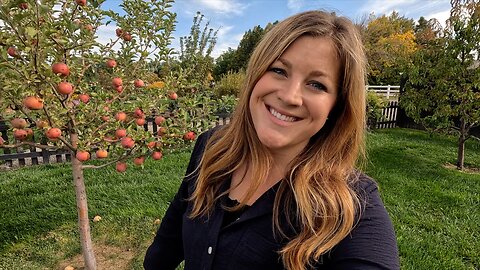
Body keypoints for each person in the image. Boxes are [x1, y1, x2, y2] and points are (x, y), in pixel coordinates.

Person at [144, 10, 400, 270]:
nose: (290, 96)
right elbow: (169, 238)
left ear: (337, 106)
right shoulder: (211, 147)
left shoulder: (350, 206)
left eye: (317, 85)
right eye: (279, 70)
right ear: (256, 73)